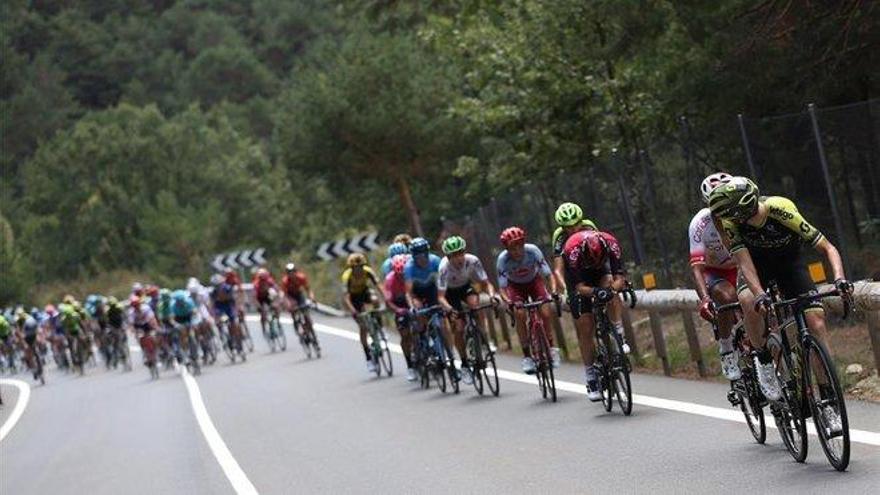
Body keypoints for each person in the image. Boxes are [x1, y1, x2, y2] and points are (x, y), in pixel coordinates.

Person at [708, 176, 854, 431]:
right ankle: (763, 360)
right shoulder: (733, 224)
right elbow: (744, 263)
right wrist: (759, 293)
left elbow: (827, 247)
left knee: (816, 323)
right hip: (757, 270)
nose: (730, 219)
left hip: (790, 266)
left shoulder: (780, 209)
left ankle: (829, 400)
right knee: (747, 299)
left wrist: (839, 278)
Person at [562, 228, 630, 400]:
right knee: (586, 327)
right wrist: (594, 292)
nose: (596, 262)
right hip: (580, 277)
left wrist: (610, 290)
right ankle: (591, 376)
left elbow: (619, 279)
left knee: (611, 289)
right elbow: (579, 288)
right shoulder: (572, 252)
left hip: (602, 273)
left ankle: (618, 334)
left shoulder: (611, 244)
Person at [689, 172, 741, 380]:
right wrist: (705, 299)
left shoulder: (741, 213)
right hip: (714, 271)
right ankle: (727, 348)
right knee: (727, 297)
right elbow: (697, 267)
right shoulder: (699, 224)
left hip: (740, 266)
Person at [495, 226, 560, 374]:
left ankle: (551, 348)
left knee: (545, 311)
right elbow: (503, 288)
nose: (517, 250)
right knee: (520, 314)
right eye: (512, 248)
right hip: (515, 287)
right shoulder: (502, 260)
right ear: (506, 248)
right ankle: (527, 356)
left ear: (524, 243)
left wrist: (554, 291)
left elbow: (549, 275)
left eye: (520, 246)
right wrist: (509, 302)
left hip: (534, 282)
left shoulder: (533, 251)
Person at [437, 235, 497, 386]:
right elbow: (440, 297)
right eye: (455, 255)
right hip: (450, 294)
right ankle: (464, 364)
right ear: (448, 257)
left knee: (476, 306)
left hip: (465, 287)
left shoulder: (473, 260)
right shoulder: (443, 268)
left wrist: (491, 295)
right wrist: (450, 309)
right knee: (458, 327)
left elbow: (486, 282)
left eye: (461, 253)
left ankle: (484, 340)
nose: (459, 258)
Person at [341, 252, 383, 372]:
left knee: (375, 300)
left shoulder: (368, 271)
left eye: (361, 267)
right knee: (363, 327)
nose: (359, 270)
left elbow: (378, 285)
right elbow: (346, 296)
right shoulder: (347, 276)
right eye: (356, 268)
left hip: (365, 292)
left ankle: (379, 326)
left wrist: (386, 298)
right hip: (353, 298)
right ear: (351, 268)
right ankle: (368, 358)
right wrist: (352, 310)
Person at [384, 254, 416, 381]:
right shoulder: (390, 280)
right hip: (399, 304)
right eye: (399, 274)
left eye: (403, 274)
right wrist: (397, 310)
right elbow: (388, 301)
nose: (402, 276)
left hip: (412, 300)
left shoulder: (412, 273)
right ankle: (410, 366)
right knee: (405, 334)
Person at [281, 262, 318, 348]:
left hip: (299, 294)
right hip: (290, 296)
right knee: (294, 311)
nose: (291, 274)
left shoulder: (301, 277)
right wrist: (288, 305)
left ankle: (310, 329)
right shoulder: (285, 281)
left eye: (293, 272)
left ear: (296, 272)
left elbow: (308, 289)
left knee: (305, 312)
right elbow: (284, 296)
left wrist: (312, 298)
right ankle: (297, 328)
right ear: (287, 274)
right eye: (289, 272)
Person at [252, 268, 279, 334]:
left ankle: (277, 321)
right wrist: (258, 305)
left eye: (264, 278)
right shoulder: (256, 284)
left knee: (275, 308)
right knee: (263, 313)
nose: (263, 280)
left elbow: (276, 289)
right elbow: (254, 296)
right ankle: (263, 327)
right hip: (260, 298)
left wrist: (276, 301)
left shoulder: (269, 281)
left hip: (268, 296)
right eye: (261, 279)